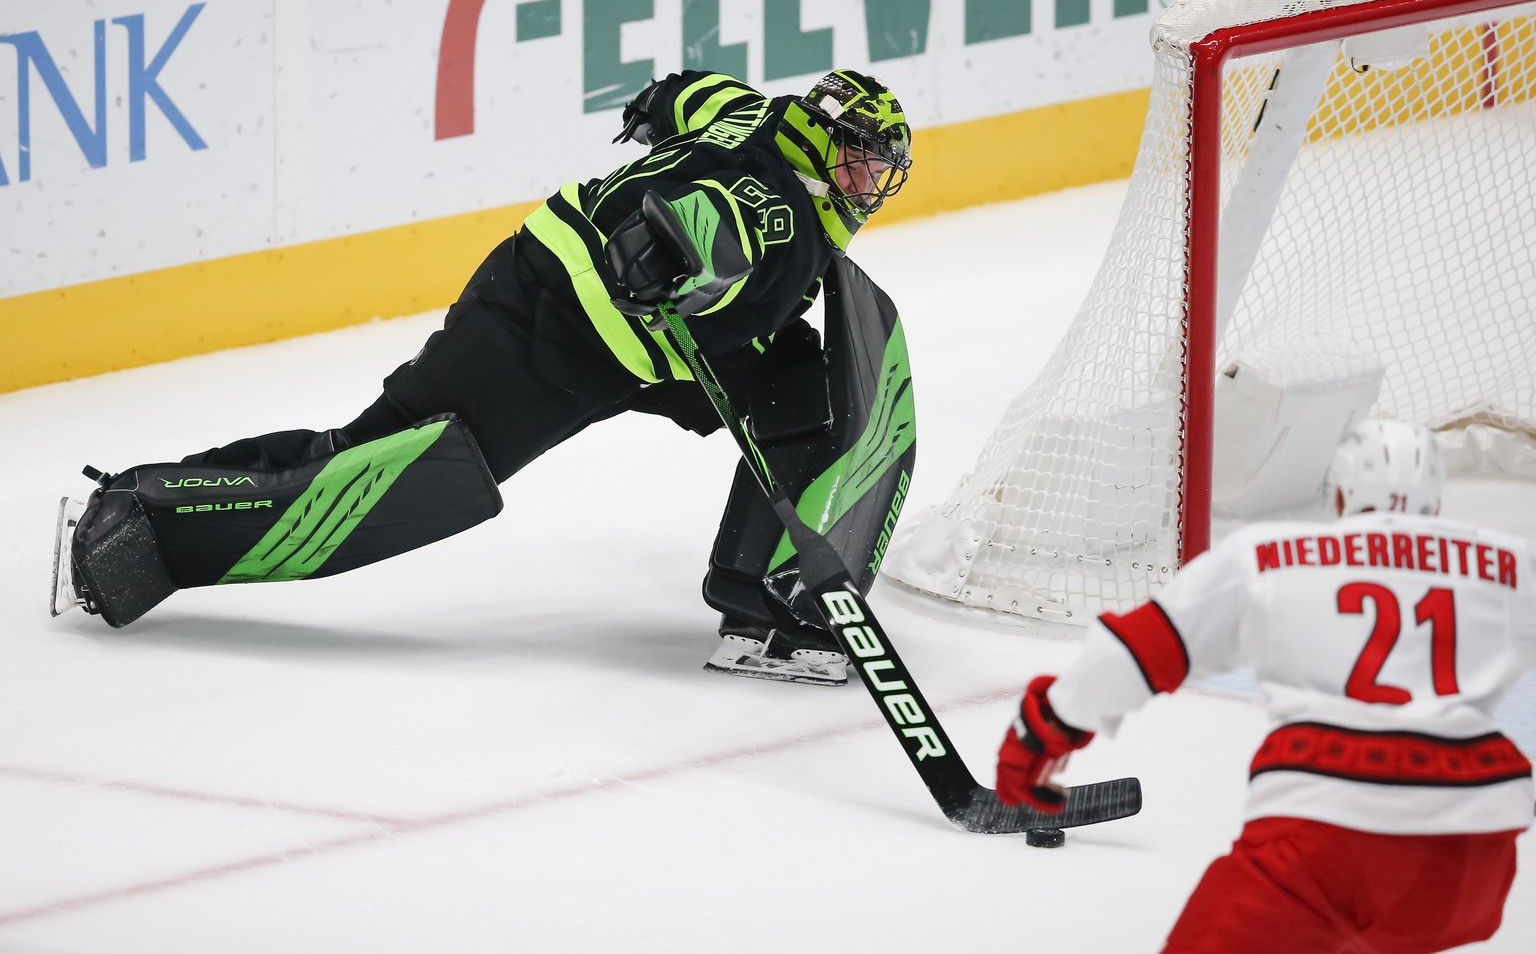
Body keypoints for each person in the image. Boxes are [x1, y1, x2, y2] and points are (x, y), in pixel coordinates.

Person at [54, 69, 917, 687]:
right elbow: (716, 220)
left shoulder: (748, 112)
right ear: (819, 136)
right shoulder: (775, 214)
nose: (868, 183)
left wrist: (654, 121)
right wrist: (671, 247)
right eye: (860, 160)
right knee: (381, 476)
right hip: (547, 330)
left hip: (640, 339)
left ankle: (767, 605)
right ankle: (144, 522)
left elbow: (684, 93)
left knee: (808, 395)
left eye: (880, 169)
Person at [995, 419, 1534, 954]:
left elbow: (1139, 649)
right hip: (1473, 855)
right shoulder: (1512, 566)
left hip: (1324, 837)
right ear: (1436, 502)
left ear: (1341, 496)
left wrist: (1042, 733)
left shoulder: (1271, 557)